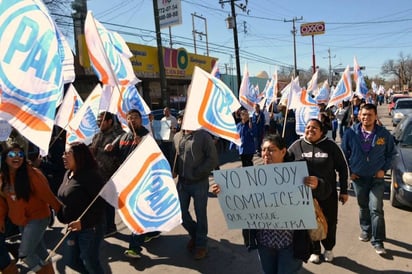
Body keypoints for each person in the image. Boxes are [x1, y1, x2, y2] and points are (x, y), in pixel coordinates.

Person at [212, 134, 331, 273]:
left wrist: (317, 184)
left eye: (271, 150)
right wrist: (224, 191)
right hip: (264, 242)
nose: (266, 154)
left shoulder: (298, 173)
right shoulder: (252, 177)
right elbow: (241, 201)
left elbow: (326, 191)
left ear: (283, 151)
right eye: (263, 150)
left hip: (291, 242)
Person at [289, 119, 349, 264]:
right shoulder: (296, 146)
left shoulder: (331, 146)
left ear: (321, 131)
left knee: (329, 222)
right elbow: (283, 166)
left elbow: (342, 168)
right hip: (304, 196)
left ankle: (328, 248)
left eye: (314, 127)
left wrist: (344, 190)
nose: (310, 130)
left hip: (327, 194)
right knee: (309, 223)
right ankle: (315, 251)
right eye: (308, 127)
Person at [341, 103, 396, 255]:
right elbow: (343, 155)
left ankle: (378, 241)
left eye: (370, 115)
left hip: (376, 179)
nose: (366, 117)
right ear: (359, 116)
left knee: (376, 208)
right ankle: (366, 230)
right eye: (363, 114)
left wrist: (383, 169)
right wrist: (350, 171)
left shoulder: (383, 134)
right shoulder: (350, 133)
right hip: (358, 179)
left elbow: (392, 154)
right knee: (363, 206)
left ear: (375, 116)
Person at [105, 109, 160, 259]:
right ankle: (152, 231)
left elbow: (156, 156)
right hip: (127, 181)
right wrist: (110, 148)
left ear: (141, 120)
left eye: (135, 117)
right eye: (129, 118)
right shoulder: (123, 137)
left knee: (137, 212)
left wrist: (143, 145)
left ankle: (135, 247)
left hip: (143, 181)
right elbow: (115, 153)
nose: (132, 120)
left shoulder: (147, 136)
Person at [0, 143, 61, 274]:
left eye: (20, 154)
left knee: (25, 254)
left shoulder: (32, 174)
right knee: (41, 253)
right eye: (12, 154)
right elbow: (2, 202)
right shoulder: (3, 177)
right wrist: (0, 220)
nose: (17, 157)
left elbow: (47, 194)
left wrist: (61, 210)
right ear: (5, 158)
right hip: (22, 221)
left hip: (38, 218)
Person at [57, 142, 106, 273]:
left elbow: (101, 205)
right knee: (74, 261)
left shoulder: (91, 176)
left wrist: (83, 223)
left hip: (90, 229)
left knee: (90, 262)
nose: (63, 156)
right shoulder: (68, 173)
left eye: (67, 153)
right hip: (72, 228)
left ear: (79, 156)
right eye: (63, 153)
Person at [172, 128, 218, 260]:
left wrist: (198, 172)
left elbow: (212, 159)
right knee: (180, 213)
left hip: (199, 183)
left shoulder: (204, 136)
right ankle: (197, 235)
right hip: (182, 182)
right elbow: (174, 155)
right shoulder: (177, 136)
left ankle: (201, 245)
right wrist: (174, 170)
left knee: (200, 214)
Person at [90, 111, 124, 237]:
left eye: (102, 120)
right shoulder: (97, 135)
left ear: (110, 121)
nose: (99, 123)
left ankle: (110, 227)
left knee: (109, 203)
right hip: (97, 174)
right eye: (98, 121)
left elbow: (121, 153)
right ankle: (102, 227)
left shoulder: (118, 135)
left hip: (111, 175)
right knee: (99, 203)